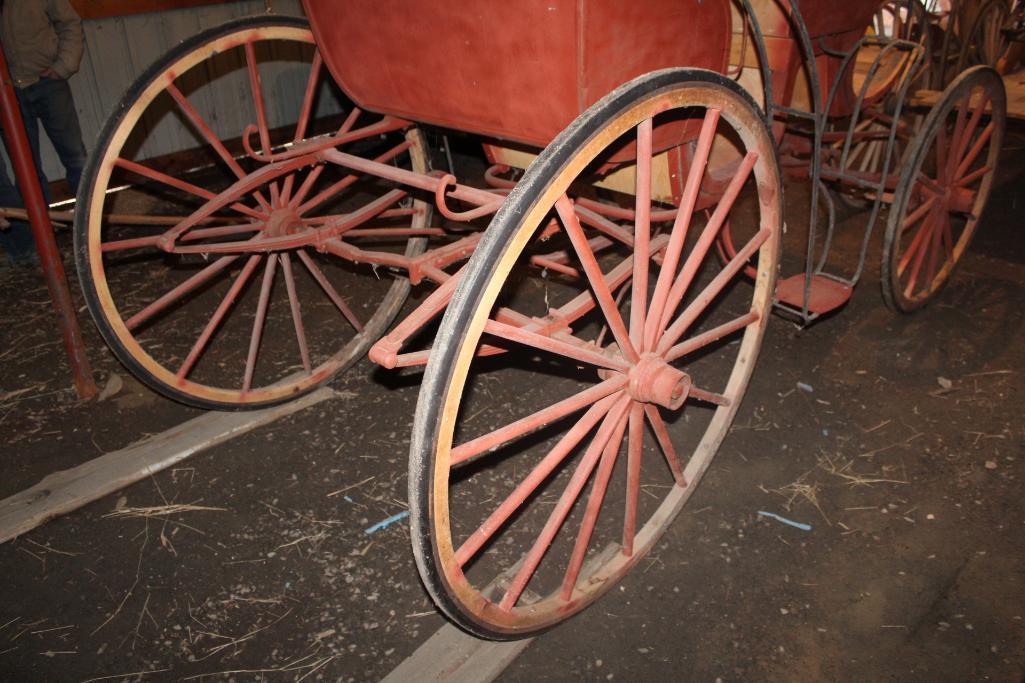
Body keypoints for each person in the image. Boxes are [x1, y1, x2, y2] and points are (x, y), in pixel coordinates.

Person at [0, 0, 86, 267]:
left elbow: (70, 22)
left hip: (48, 82)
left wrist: (64, 65)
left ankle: (90, 226)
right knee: (27, 170)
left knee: (76, 157)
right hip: (9, 91)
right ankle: (41, 237)